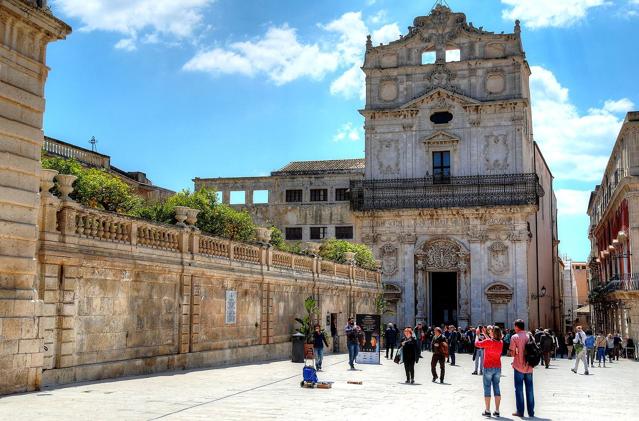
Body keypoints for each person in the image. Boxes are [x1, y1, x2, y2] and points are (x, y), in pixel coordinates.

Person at [476, 325, 504, 417]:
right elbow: (492, 341)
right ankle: (497, 410)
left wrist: (477, 335)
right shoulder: (501, 342)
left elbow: (477, 344)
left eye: (491, 331)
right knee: (497, 388)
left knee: (487, 388)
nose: (489, 332)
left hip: (488, 367)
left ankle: (487, 410)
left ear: (493, 333)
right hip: (497, 367)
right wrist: (484, 333)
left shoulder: (488, 341)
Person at [508, 319, 534, 418]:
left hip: (518, 366)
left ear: (517, 327)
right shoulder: (529, 336)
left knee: (519, 389)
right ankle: (531, 412)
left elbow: (512, 353)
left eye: (514, 326)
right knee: (530, 389)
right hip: (529, 366)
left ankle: (520, 411)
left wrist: (516, 352)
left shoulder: (514, 337)